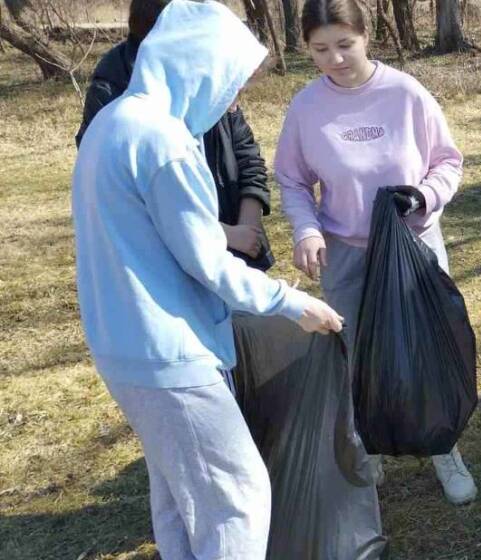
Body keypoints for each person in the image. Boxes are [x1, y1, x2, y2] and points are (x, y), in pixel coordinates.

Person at [71, 1, 344, 557]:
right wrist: (293, 303)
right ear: (198, 67)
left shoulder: (113, 121)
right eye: (230, 82)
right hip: (168, 351)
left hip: (123, 346)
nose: (233, 98)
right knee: (236, 498)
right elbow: (208, 260)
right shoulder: (162, 142)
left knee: (178, 496)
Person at [274, 0, 477, 506]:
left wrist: (424, 196)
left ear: (367, 37)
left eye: (345, 44)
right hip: (345, 253)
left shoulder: (405, 94)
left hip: (414, 248)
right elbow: (294, 181)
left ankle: (442, 446)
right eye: (321, 50)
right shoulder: (306, 108)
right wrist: (306, 231)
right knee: (354, 351)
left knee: (423, 346)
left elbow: (448, 162)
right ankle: (368, 444)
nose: (335, 59)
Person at [77, 0, 277, 271]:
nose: (233, 102)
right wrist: (225, 235)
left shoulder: (209, 77)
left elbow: (247, 156)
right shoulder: (117, 99)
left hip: (236, 254)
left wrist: (247, 227)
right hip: (167, 269)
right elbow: (134, 203)